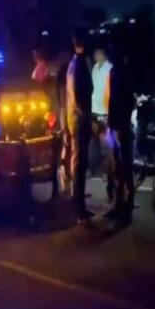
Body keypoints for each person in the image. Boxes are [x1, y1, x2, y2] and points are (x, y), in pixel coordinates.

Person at [105, 47, 136, 225]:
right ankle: (120, 204)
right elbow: (115, 100)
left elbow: (125, 100)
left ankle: (125, 206)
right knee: (119, 166)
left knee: (123, 166)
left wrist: (118, 122)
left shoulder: (121, 73)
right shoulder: (116, 72)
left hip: (120, 125)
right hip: (116, 124)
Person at [66, 31, 94, 224]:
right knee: (79, 163)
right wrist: (88, 118)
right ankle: (78, 209)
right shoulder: (78, 64)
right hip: (79, 119)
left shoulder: (76, 63)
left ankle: (80, 206)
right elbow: (77, 96)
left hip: (77, 118)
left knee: (80, 163)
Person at [90, 45, 114, 200]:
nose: (96, 54)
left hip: (106, 115)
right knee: (95, 149)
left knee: (108, 152)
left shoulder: (109, 68)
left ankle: (111, 185)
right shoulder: (95, 68)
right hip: (94, 113)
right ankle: (104, 176)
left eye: (98, 52)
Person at [55, 50, 72, 196]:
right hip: (66, 116)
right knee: (66, 149)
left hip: (64, 115)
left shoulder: (62, 76)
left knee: (66, 150)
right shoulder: (66, 76)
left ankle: (65, 183)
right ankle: (65, 182)